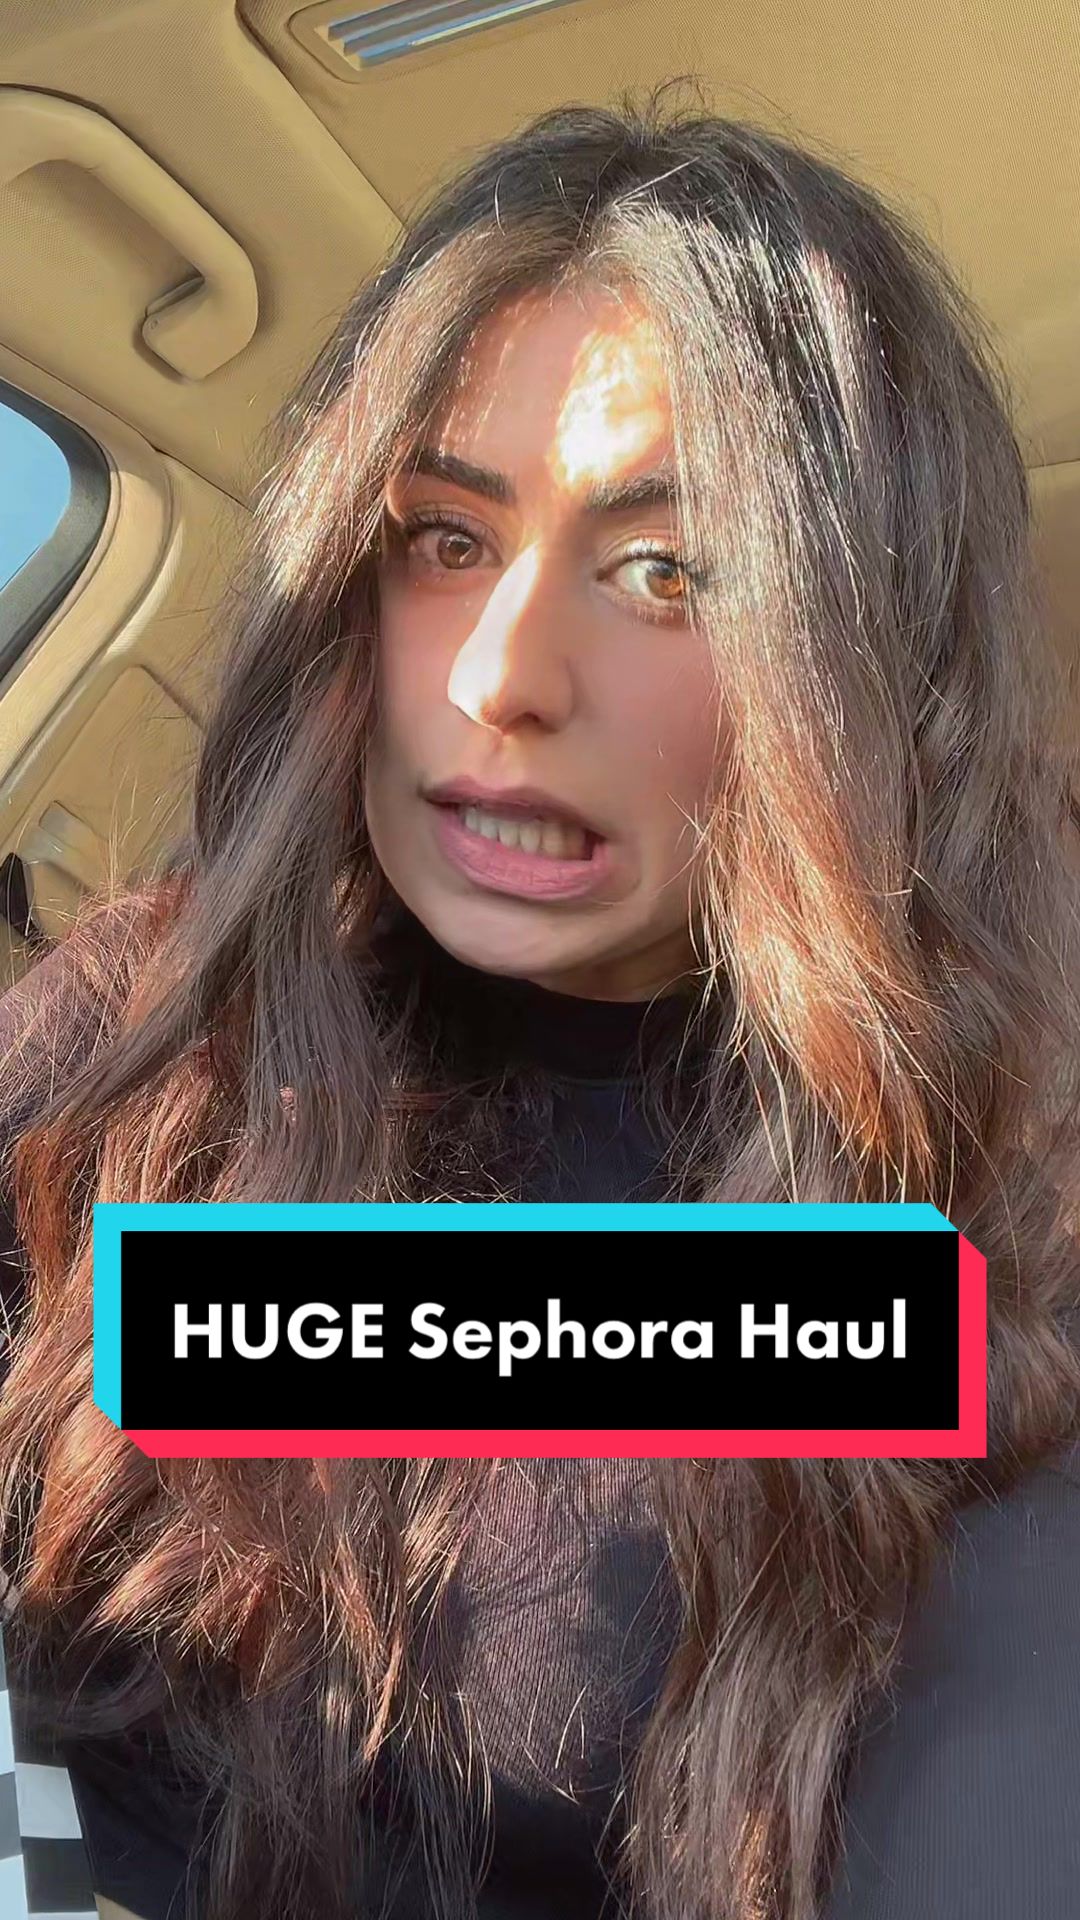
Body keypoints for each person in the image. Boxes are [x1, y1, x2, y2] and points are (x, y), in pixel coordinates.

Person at [1, 82, 1079, 1920]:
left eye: (666, 571)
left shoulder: (1000, 1222)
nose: (501, 674)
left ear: (869, 667)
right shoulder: (133, 1037)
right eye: (444, 537)